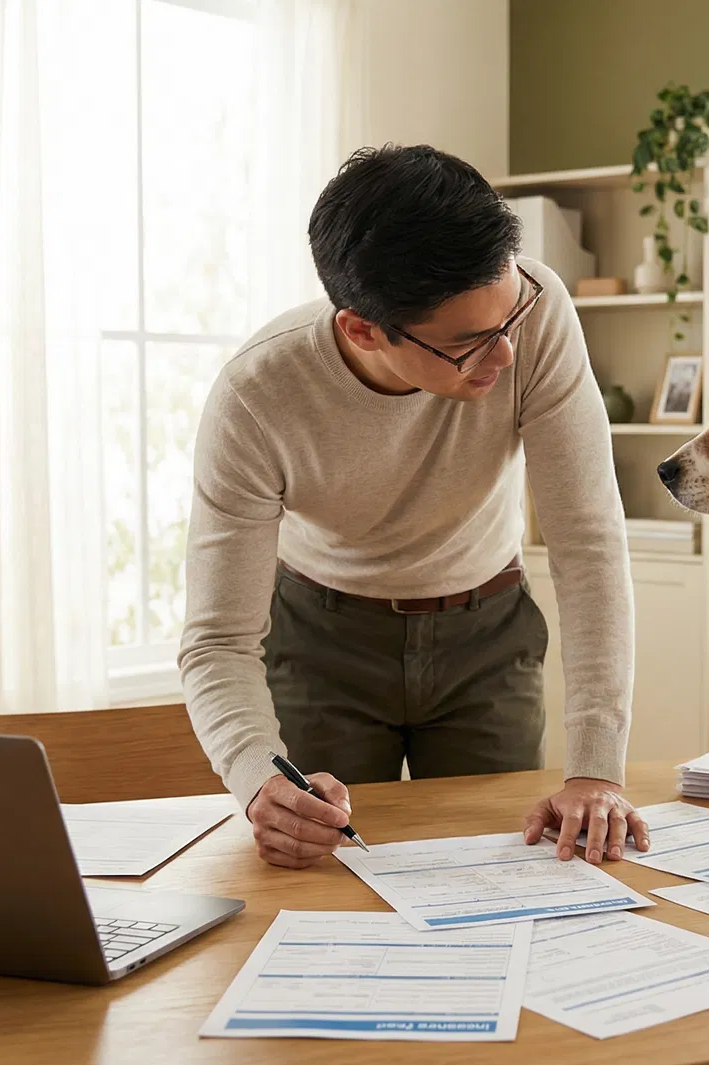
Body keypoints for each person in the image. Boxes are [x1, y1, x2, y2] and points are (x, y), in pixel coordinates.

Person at [179, 144, 648, 872]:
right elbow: (216, 639)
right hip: (320, 640)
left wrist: (595, 767)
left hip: (487, 636)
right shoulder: (256, 398)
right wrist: (256, 780)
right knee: (323, 874)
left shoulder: (538, 311)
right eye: (468, 345)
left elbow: (588, 543)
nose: (505, 357)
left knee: (504, 878)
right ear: (362, 329)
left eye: (508, 318)